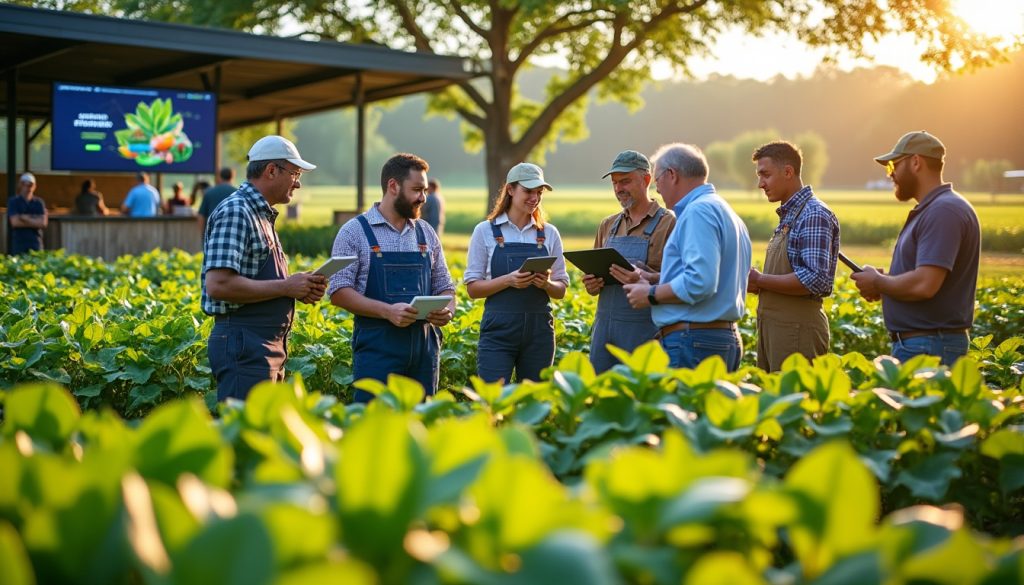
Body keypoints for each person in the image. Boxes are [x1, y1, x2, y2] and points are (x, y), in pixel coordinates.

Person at [201, 135, 327, 401]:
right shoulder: (238, 211)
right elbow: (218, 284)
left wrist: (296, 289)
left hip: (263, 346)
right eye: (294, 173)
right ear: (271, 170)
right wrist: (286, 286)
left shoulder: (261, 214)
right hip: (245, 343)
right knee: (247, 437)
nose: (298, 182)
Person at [329, 153, 456, 401]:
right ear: (393, 186)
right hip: (377, 353)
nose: (423, 198)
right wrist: (388, 311)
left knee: (420, 430)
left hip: (424, 354)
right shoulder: (354, 232)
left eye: (425, 190)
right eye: (417, 190)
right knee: (375, 428)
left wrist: (447, 311)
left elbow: (446, 287)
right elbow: (339, 292)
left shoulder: (426, 233)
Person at [851, 131, 980, 366]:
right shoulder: (937, 208)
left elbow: (925, 284)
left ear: (916, 162)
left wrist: (879, 282)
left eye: (893, 165)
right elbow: (924, 280)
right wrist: (886, 282)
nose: (891, 175)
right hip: (926, 344)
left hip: (929, 347)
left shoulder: (943, 211)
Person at [623, 144, 752, 371]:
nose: (657, 190)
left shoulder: (698, 212)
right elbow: (712, 277)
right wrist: (654, 278)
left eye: (657, 180)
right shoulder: (725, 211)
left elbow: (700, 281)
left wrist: (650, 294)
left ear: (672, 175)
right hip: (717, 337)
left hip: (693, 340)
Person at [464, 163, 569, 384]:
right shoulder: (484, 231)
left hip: (539, 332)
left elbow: (561, 290)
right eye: (528, 191)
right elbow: (473, 288)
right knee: (492, 398)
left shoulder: (549, 233)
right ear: (510, 190)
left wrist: (547, 284)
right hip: (498, 330)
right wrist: (509, 280)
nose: (535, 197)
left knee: (534, 402)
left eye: (539, 192)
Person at [746, 141, 840, 371]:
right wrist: (759, 285)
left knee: (794, 404)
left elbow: (815, 279)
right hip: (776, 330)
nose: (760, 184)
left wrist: (760, 280)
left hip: (797, 332)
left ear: (788, 172)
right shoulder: (790, 214)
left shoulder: (814, 214)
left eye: (765, 175)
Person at [583, 150, 675, 373]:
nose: (618, 189)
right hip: (604, 331)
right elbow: (593, 282)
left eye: (625, 181)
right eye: (614, 183)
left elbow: (681, 281)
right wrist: (591, 285)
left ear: (646, 180)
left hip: (646, 332)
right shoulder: (607, 225)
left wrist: (646, 277)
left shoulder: (670, 223)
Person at [7, 172, 48, 255]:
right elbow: (15, 222)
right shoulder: (13, 202)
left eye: (30, 185)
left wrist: (23, 218)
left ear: (34, 186)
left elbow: (43, 223)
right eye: (24, 184)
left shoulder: (39, 202)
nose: (27, 187)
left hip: (36, 243)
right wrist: (34, 219)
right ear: (20, 185)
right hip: (19, 244)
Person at [198, 167, 237, 232]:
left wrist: (203, 235)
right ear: (232, 177)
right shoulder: (237, 193)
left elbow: (201, 216)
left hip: (212, 233)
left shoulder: (209, 193)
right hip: (232, 232)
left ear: (220, 177)